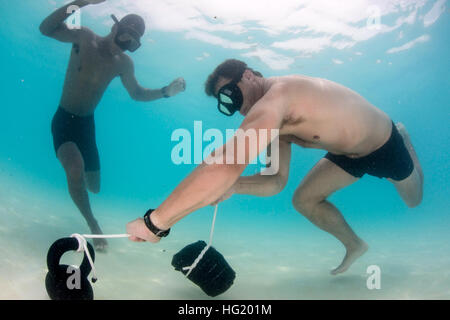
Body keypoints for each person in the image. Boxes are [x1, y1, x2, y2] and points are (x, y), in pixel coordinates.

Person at [126, 59, 423, 275]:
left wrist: (155, 222)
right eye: (224, 104)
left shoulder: (278, 97)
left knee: (413, 201)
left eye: (230, 94)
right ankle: (355, 245)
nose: (233, 106)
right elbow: (274, 181)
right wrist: (234, 186)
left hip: (384, 144)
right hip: (347, 155)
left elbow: (225, 164)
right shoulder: (274, 122)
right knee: (303, 200)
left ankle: (407, 141)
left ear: (249, 75)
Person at [40, 0, 186, 252]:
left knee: (94, 187)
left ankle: (80, 194)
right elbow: (46, 29)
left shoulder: (123, 64)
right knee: (75, 168)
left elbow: (137, 94)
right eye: (128, 36)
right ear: (118, 27)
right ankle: (93, 223)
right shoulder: (85, 38)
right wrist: (82, 2)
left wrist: (166, 92)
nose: (127, 44)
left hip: (87, 126)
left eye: (134, 43)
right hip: (64, 118)